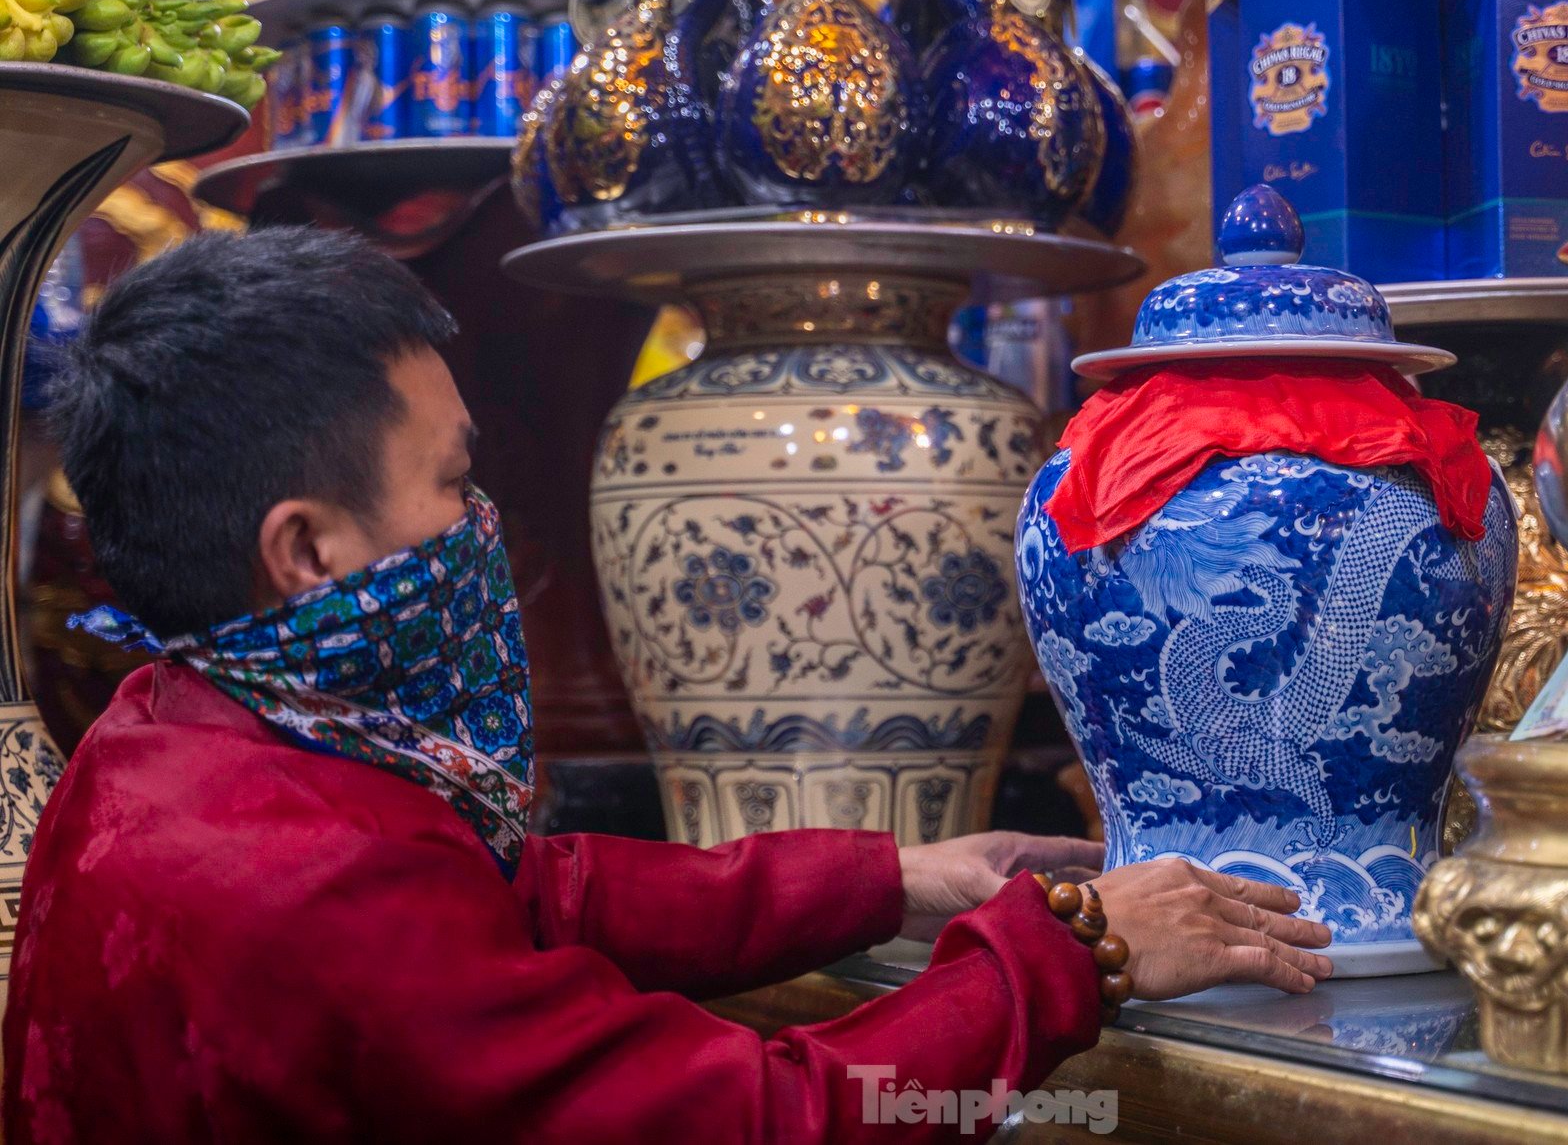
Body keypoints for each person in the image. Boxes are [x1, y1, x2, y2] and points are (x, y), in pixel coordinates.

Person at [3, 229, 1333, 1143]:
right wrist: (1074, 946)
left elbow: (507, 901)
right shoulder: (313, 879)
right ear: (306, 550)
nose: (484, 523)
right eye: (454, 483)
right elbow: (769, 1121)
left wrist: (895, 878)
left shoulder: (169, 730)